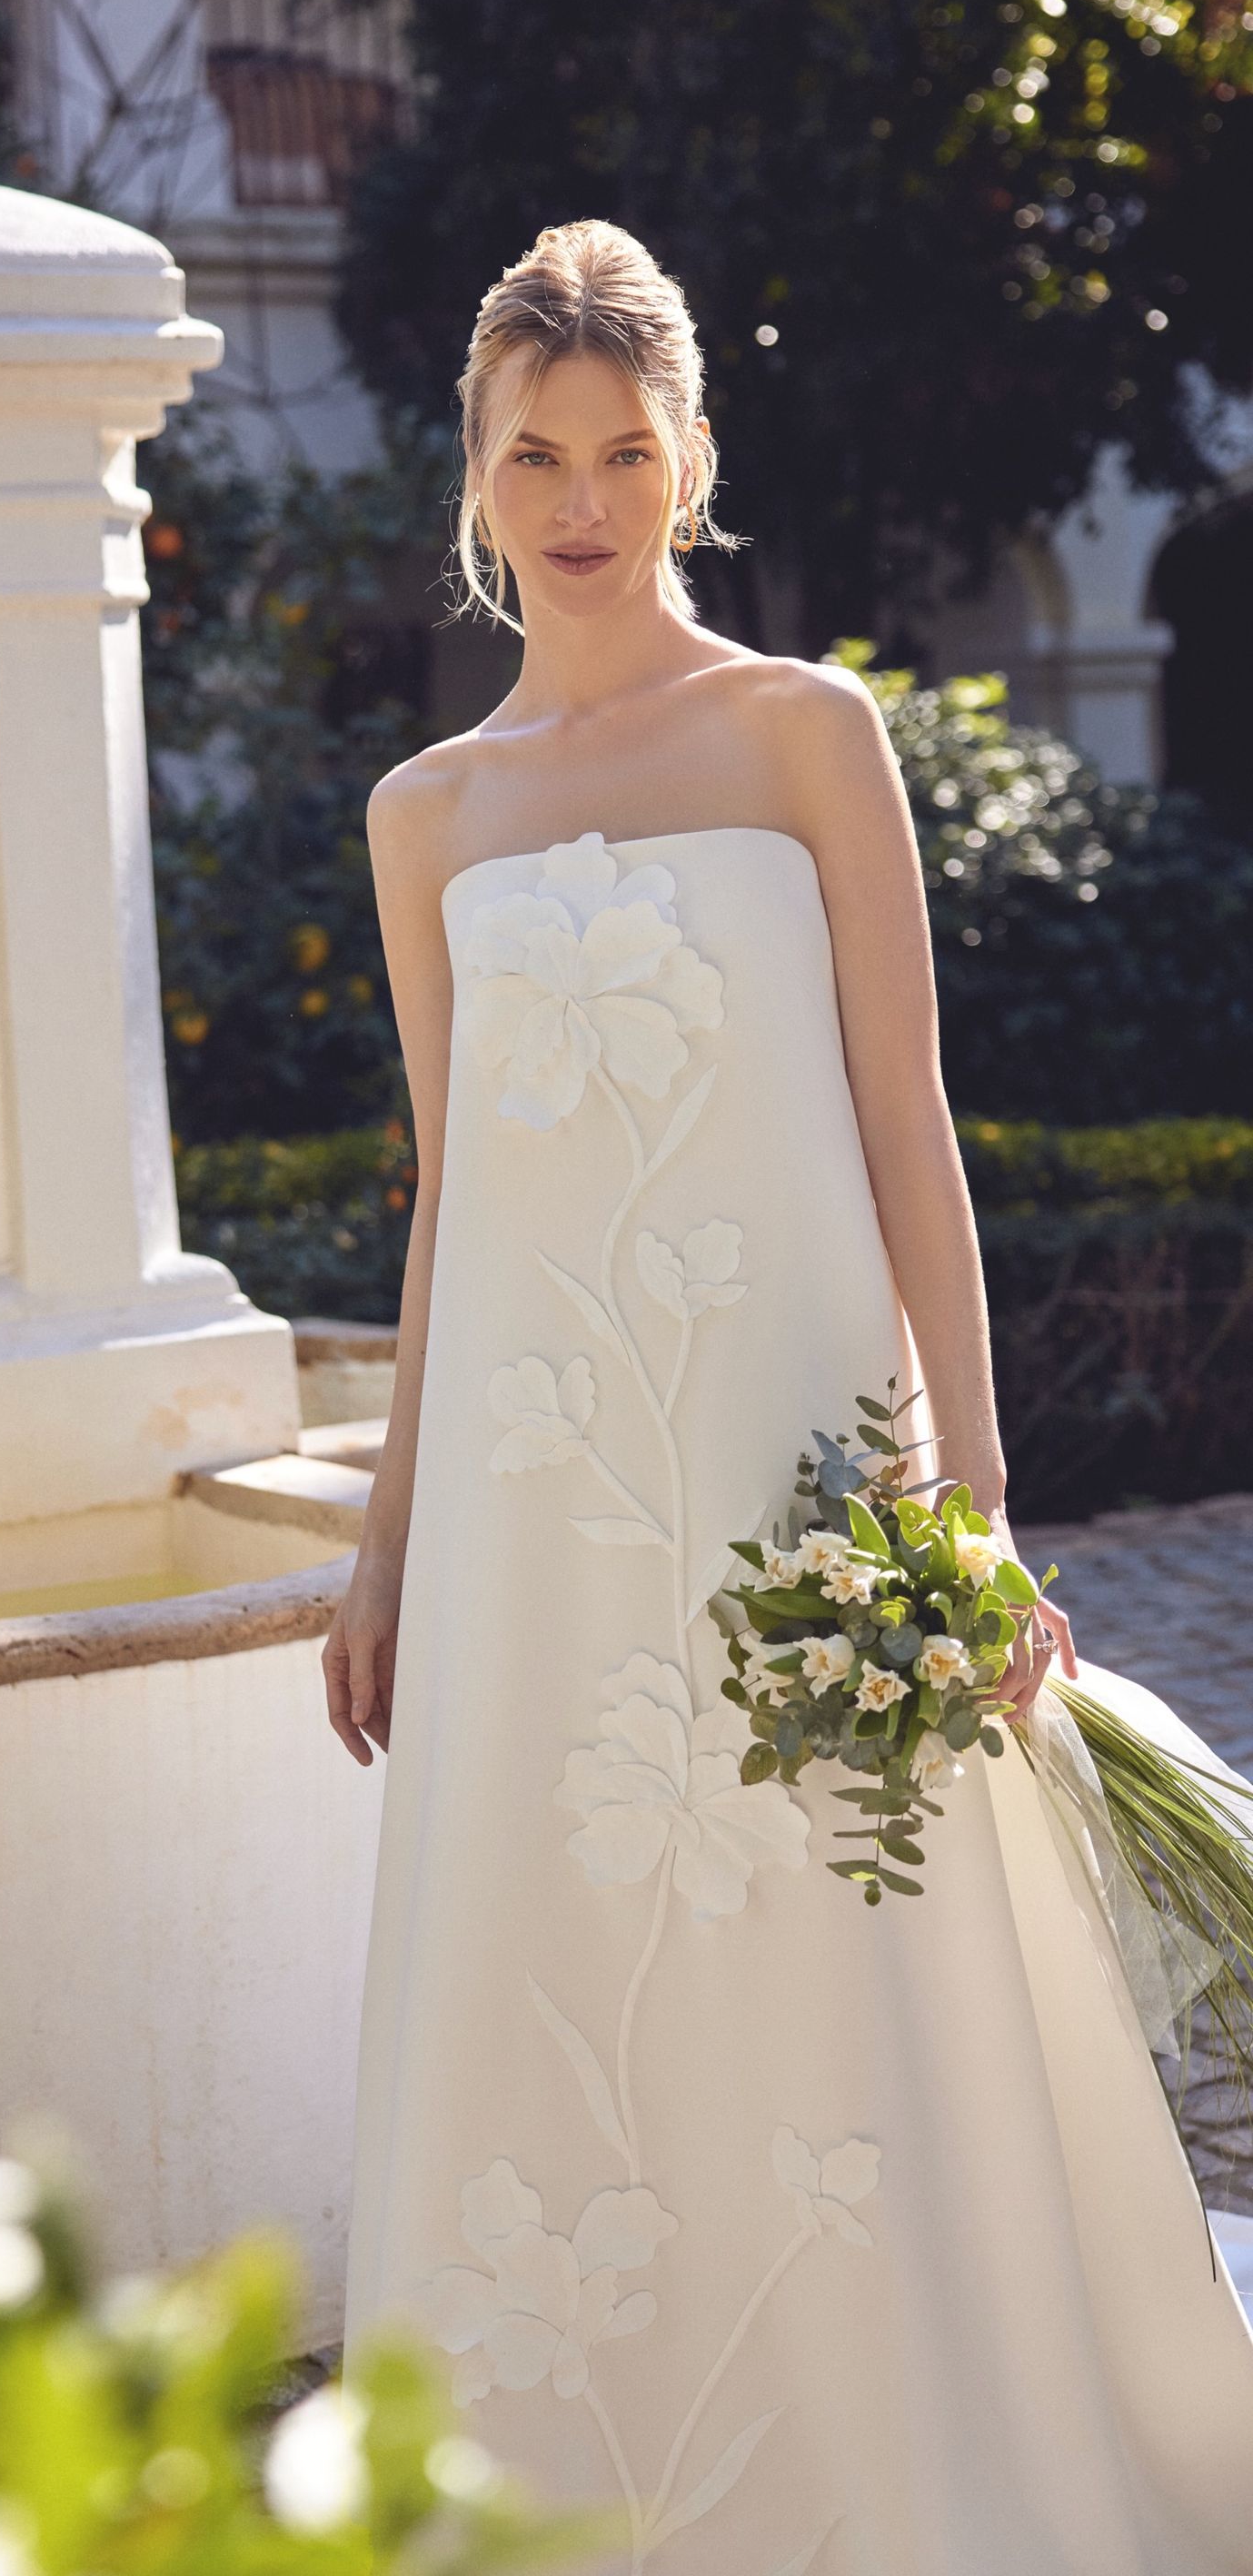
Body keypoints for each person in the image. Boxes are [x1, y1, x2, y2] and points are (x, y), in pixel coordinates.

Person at [323, 219, 1253, 2576]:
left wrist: (979, 1505)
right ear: (473, 471)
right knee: (571, 1971)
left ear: (690, 460)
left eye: (624, 453)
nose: (581, 501)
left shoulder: (804, 735)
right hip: (539, 1511)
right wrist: (388, 1544)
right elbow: (450, 1199)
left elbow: (906, 1125)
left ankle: (910, 2474)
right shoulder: (425, 813)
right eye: (535, 455)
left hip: (798, 1481)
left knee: (843, 1951)